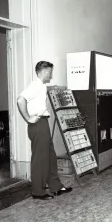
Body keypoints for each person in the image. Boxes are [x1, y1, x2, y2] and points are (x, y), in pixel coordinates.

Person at [17, 61, 72, 200]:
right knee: (40, 159)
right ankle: (37, 192)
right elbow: (20, 100)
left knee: (50, 157)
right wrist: (28, 118)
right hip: (38, 124)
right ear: (44, 71)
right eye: (50, 72)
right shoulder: (35, 86)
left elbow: (46, 89)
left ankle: (56, 187)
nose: (51, 75)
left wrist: (56, 87)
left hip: (43, 123)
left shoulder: (41, 86)